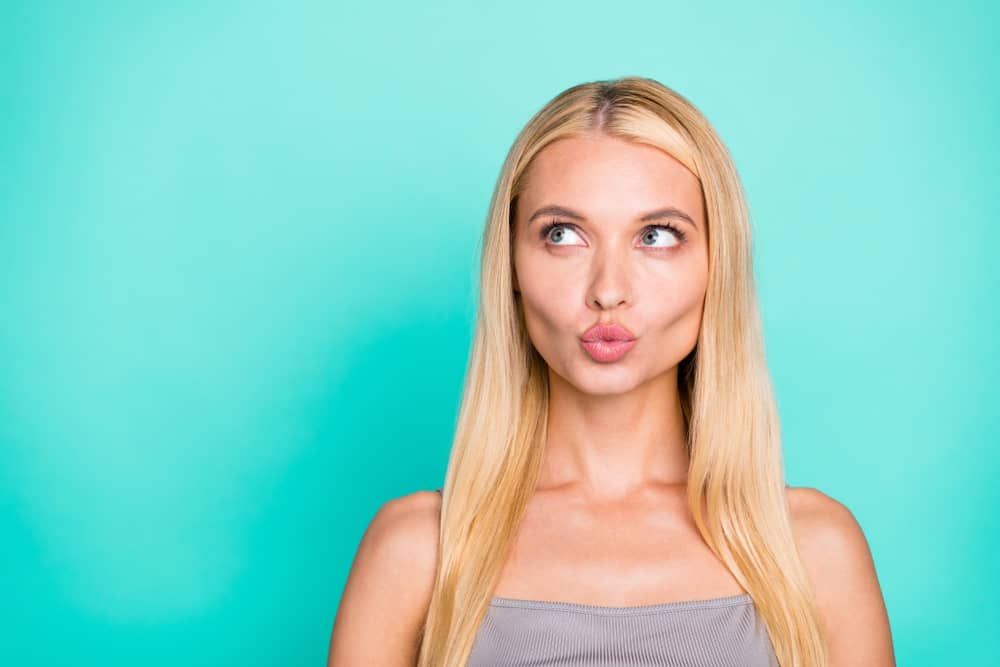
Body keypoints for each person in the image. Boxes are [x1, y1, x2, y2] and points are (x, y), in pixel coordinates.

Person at [327, 76, 895, 666]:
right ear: (512, 267)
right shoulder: (416, 552)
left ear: (715, 266)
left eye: (656, 236)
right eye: (563, 235)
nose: (608, 291)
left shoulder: (816, 552)